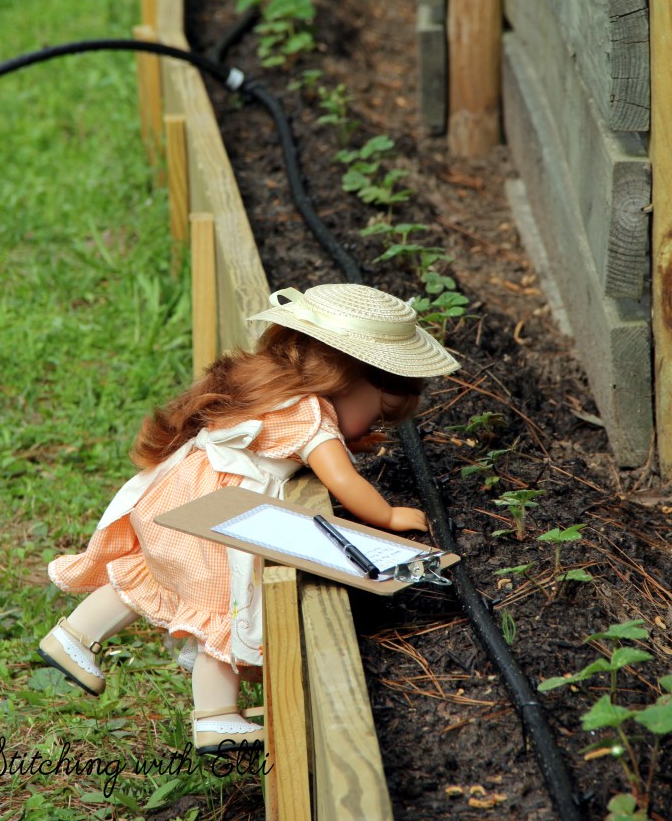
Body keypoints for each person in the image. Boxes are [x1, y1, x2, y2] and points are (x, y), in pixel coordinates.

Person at [39, 283, 458, 754]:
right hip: (217, 518)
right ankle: (216, 717)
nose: (376, 430)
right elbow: (341, 481)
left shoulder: (270, 381)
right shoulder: (312, 416)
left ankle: (74, 637)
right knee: (225, 607)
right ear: (354, 379)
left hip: (177, 495)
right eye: (379, 417)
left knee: (154, 573)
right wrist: (387, 513)